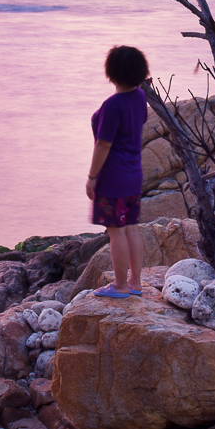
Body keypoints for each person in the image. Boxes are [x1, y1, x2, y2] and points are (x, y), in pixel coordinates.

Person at [86, 45, 150, 299]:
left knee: (116, 231)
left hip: (113, 177)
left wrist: (92, 177)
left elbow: (103, 144)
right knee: (132, 227)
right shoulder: (140, 97)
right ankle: (135, 282)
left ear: (111, 72)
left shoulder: (113, 105)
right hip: (134, 174)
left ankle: (121, 286)